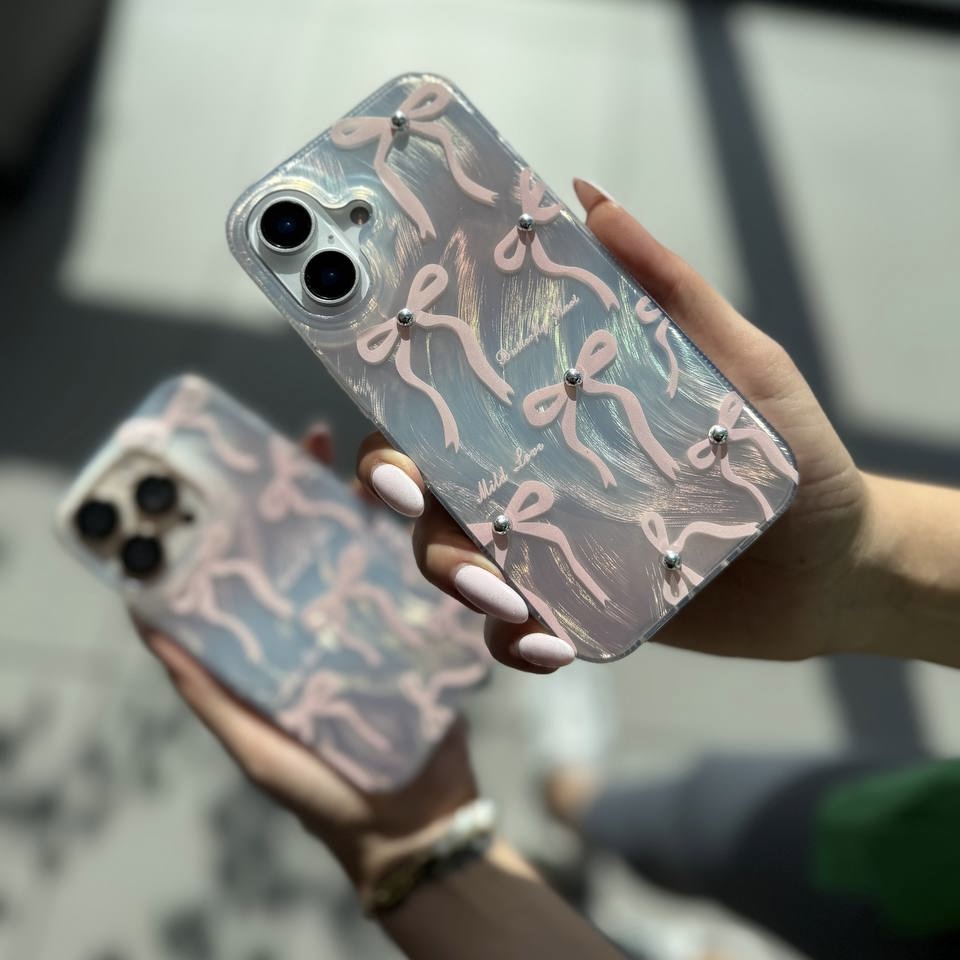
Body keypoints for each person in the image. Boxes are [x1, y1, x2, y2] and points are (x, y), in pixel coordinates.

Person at [146, 183, 960, 957]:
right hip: (910, 833)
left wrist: (410, 844)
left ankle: (621, 882)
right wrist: (856, 562)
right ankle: (577, 800)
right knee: (679, 818)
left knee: (684, 846)